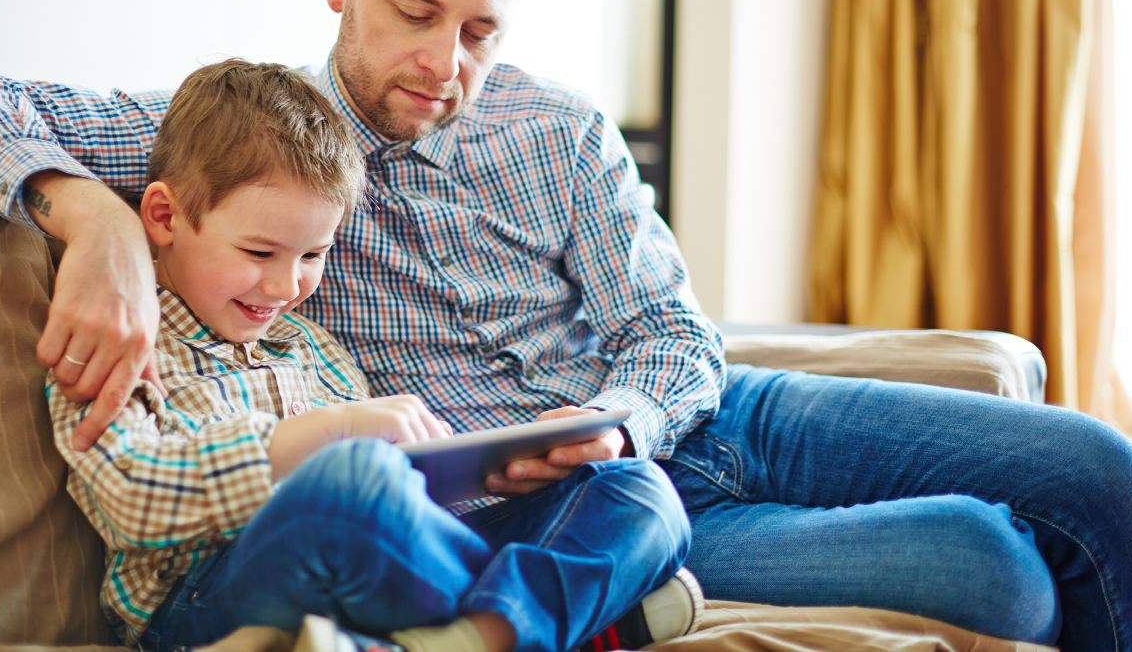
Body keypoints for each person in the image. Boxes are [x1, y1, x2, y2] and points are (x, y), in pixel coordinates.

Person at [0, 0, 1132, 651]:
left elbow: (666, 332)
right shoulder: (253, 145)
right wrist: (92, 215)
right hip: (557, 501)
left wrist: (619, 416)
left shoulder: (552, 130)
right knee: (999, 573)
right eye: (415, 15)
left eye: (481, 29)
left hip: (700, 420)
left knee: (1098, 465)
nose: (446, 65)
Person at [41, 57, 700, 652]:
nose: (284, 285)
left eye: (312, 255)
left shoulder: (311, 347)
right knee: (348, 485)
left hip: (370, 583)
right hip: (205, 599)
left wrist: (455, 471)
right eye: (259, 252)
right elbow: (131, 496)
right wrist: (322, 437)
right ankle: (562, 620)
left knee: (639, 492)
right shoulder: (122, 336)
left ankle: (476, 636)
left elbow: (398, 512)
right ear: (163, 217)